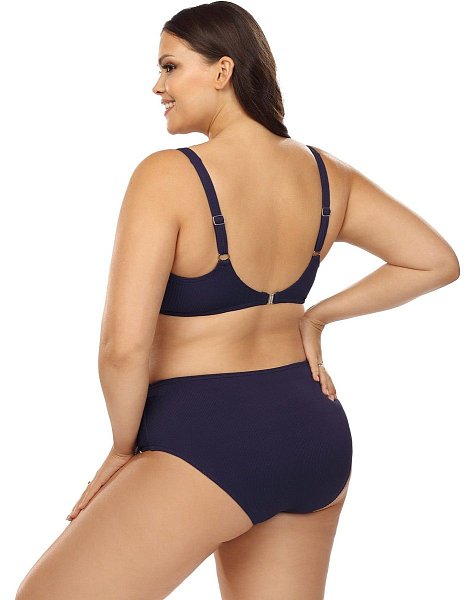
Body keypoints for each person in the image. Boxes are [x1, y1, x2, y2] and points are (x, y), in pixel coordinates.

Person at [15, 2, 460, 599]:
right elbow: (435, 260)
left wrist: (122, 450)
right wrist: (316, 316)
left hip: (206, 436)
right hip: (312, 434)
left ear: (223, 70)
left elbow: (122, 347)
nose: (158, 87)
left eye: (170, 67)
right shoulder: (328, 175)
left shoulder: (168, 175)